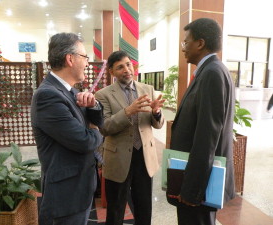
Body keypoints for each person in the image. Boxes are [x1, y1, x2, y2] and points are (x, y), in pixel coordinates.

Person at [31, 32, 103, 225]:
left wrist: (93, 106)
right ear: (70, 59)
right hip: (66, 195)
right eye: (85, 57)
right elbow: (85, 141)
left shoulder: (71, 91)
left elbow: (96, 118)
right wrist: (94, 128)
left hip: (79, 188)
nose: (87, 63)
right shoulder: (48, 95)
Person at [169, 18, 236, 225]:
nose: (183, 48)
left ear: (200, 43)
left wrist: (191, 190)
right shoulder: (209, 71)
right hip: (198, 177)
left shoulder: (212, 74)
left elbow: (207, 137)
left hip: (200, 183)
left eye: (185, 42)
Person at [95, 50, 165, 225]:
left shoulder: (147, 89)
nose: (126, 69)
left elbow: (157, 124)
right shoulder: (103, 95)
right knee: (116, 208)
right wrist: (127, 111)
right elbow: (105, 128)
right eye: (120, 67)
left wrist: (156, 112)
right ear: (112, 72)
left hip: (144, 156)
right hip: (118, 157)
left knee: (143, 206)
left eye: (128, 64)